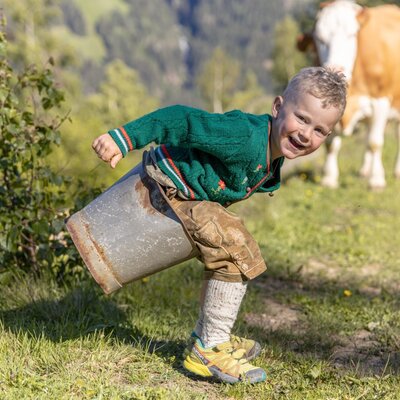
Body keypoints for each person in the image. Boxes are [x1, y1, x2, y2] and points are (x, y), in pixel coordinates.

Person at [92, 66, 347, 384]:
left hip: (187, 197)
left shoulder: (273, 153)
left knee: (232, 245)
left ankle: (211, 335)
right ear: (278, 107)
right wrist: (122, 138)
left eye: (320, 130)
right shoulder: (242, 135)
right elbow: (181, 118)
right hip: (163, 188)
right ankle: (209, 348)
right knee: (235, 247)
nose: (306, 134)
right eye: (302, 118)